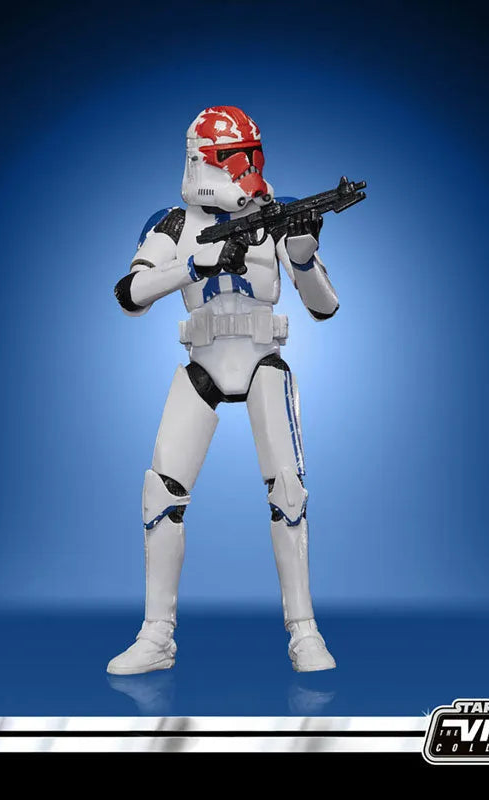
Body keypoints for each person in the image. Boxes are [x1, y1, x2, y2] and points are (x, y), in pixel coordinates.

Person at [108, 106, 339, 674]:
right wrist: (193, 266)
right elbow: (130, 293)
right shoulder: (173, 224)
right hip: (203, 363)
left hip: (263, 361)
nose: (248, 170)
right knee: (160, 493)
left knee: (289, 493)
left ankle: (304, 630)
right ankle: (156, 635)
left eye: (253, 157)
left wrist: (303, 258)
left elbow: (324, 306)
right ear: (204, 162)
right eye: (236, 159)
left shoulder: (277, 216)